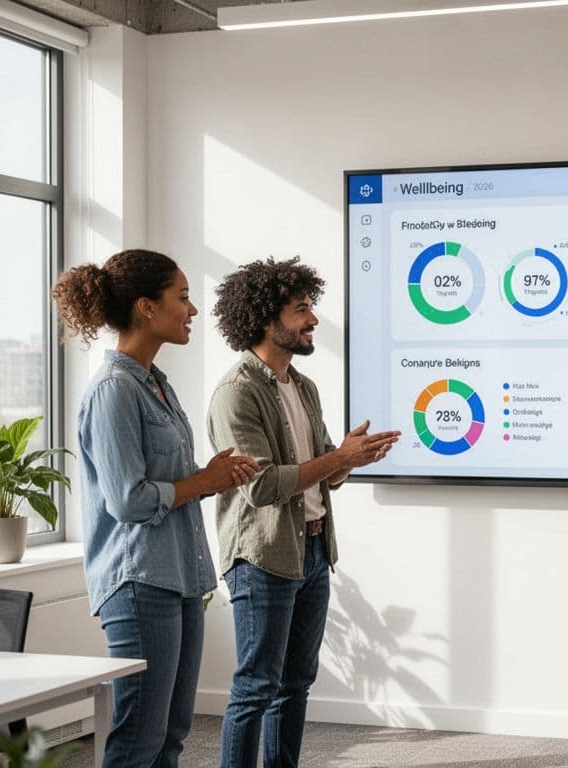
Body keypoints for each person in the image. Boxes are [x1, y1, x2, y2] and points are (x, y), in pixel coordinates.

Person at [52, 249, 259, 768]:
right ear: (147, 307)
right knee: (139, 737)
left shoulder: (157, 383)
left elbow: (169, 484)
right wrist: (201, 480)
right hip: (139, 582)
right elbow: (128, 500)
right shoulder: (113, 390)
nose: (192, 311)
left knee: (171, 735)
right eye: (183, 297)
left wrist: (210, 479)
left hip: (180, 577)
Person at [207, 257, 400, 768]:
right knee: (256, 687)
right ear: (266, 320)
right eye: (301, 309)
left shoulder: (304, 387)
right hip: (263, 558)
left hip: (312, 550)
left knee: (295, 685)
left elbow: (323, 476)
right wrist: (338, 459)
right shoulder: (237, 393)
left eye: (310, 307)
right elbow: (263, 486)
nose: (313, 319)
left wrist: (351, 458)